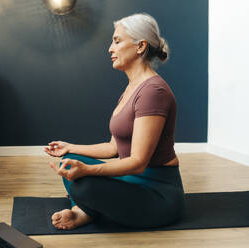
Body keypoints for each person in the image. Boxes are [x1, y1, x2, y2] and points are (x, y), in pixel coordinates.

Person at [44, 13, 185, 230]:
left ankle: (83, 209)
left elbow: (138, 162)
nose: (110, 48)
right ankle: (87, 209)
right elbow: (113, 148)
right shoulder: (132, 88)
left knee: (83, 186)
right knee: (69, 160)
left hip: (158, 194)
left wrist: (87, 171)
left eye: (117, 41)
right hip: (131, 181)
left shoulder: (153, 92)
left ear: (140, 47)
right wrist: (69, 147)